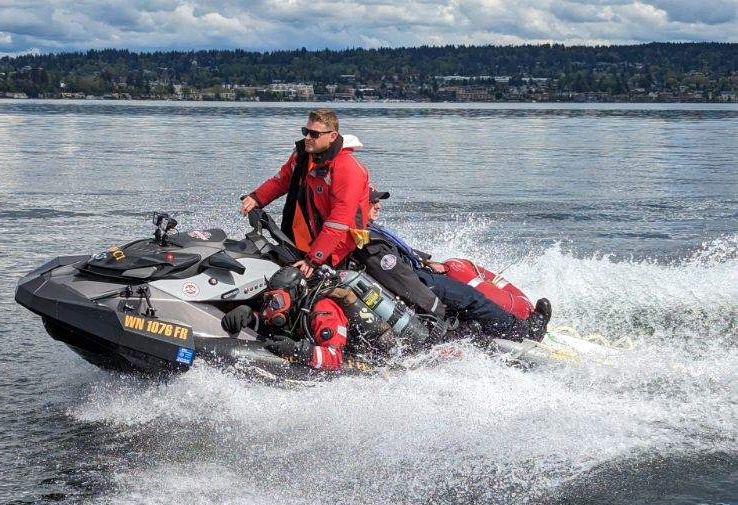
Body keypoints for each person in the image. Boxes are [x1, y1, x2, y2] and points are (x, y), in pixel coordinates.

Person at [354, 189, 551, 341]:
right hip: (419, 281)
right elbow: (401, 280)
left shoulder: (369, 229)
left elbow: (399, 252)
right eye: (372, 201)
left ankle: (481, 327)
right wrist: (435, 305)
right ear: (358, 205)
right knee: (472, 297)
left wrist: (425, 259)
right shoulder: (366, 240)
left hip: (419, 272)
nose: (378, 206)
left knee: (464, 294)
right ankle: (524, 332)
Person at [240, 109, 369, 278]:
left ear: (332, 136)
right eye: (305, 131)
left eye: (314, 134)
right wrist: (256, 198)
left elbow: (339, 222)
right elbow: (282, 179)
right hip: (306, 238)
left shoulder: (347, 168)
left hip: (338, 248)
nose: (307, 137)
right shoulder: (303, 155)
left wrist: (315, 258)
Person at [220, 266, 391, 372]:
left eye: (277, 300)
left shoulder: (323, 310)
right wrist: (247, 316)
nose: (271, 308)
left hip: (359, 360)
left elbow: (335, 357)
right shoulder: (293, 311)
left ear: (294, 295)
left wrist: (297, 350)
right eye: (269, 301)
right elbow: (273, 329)